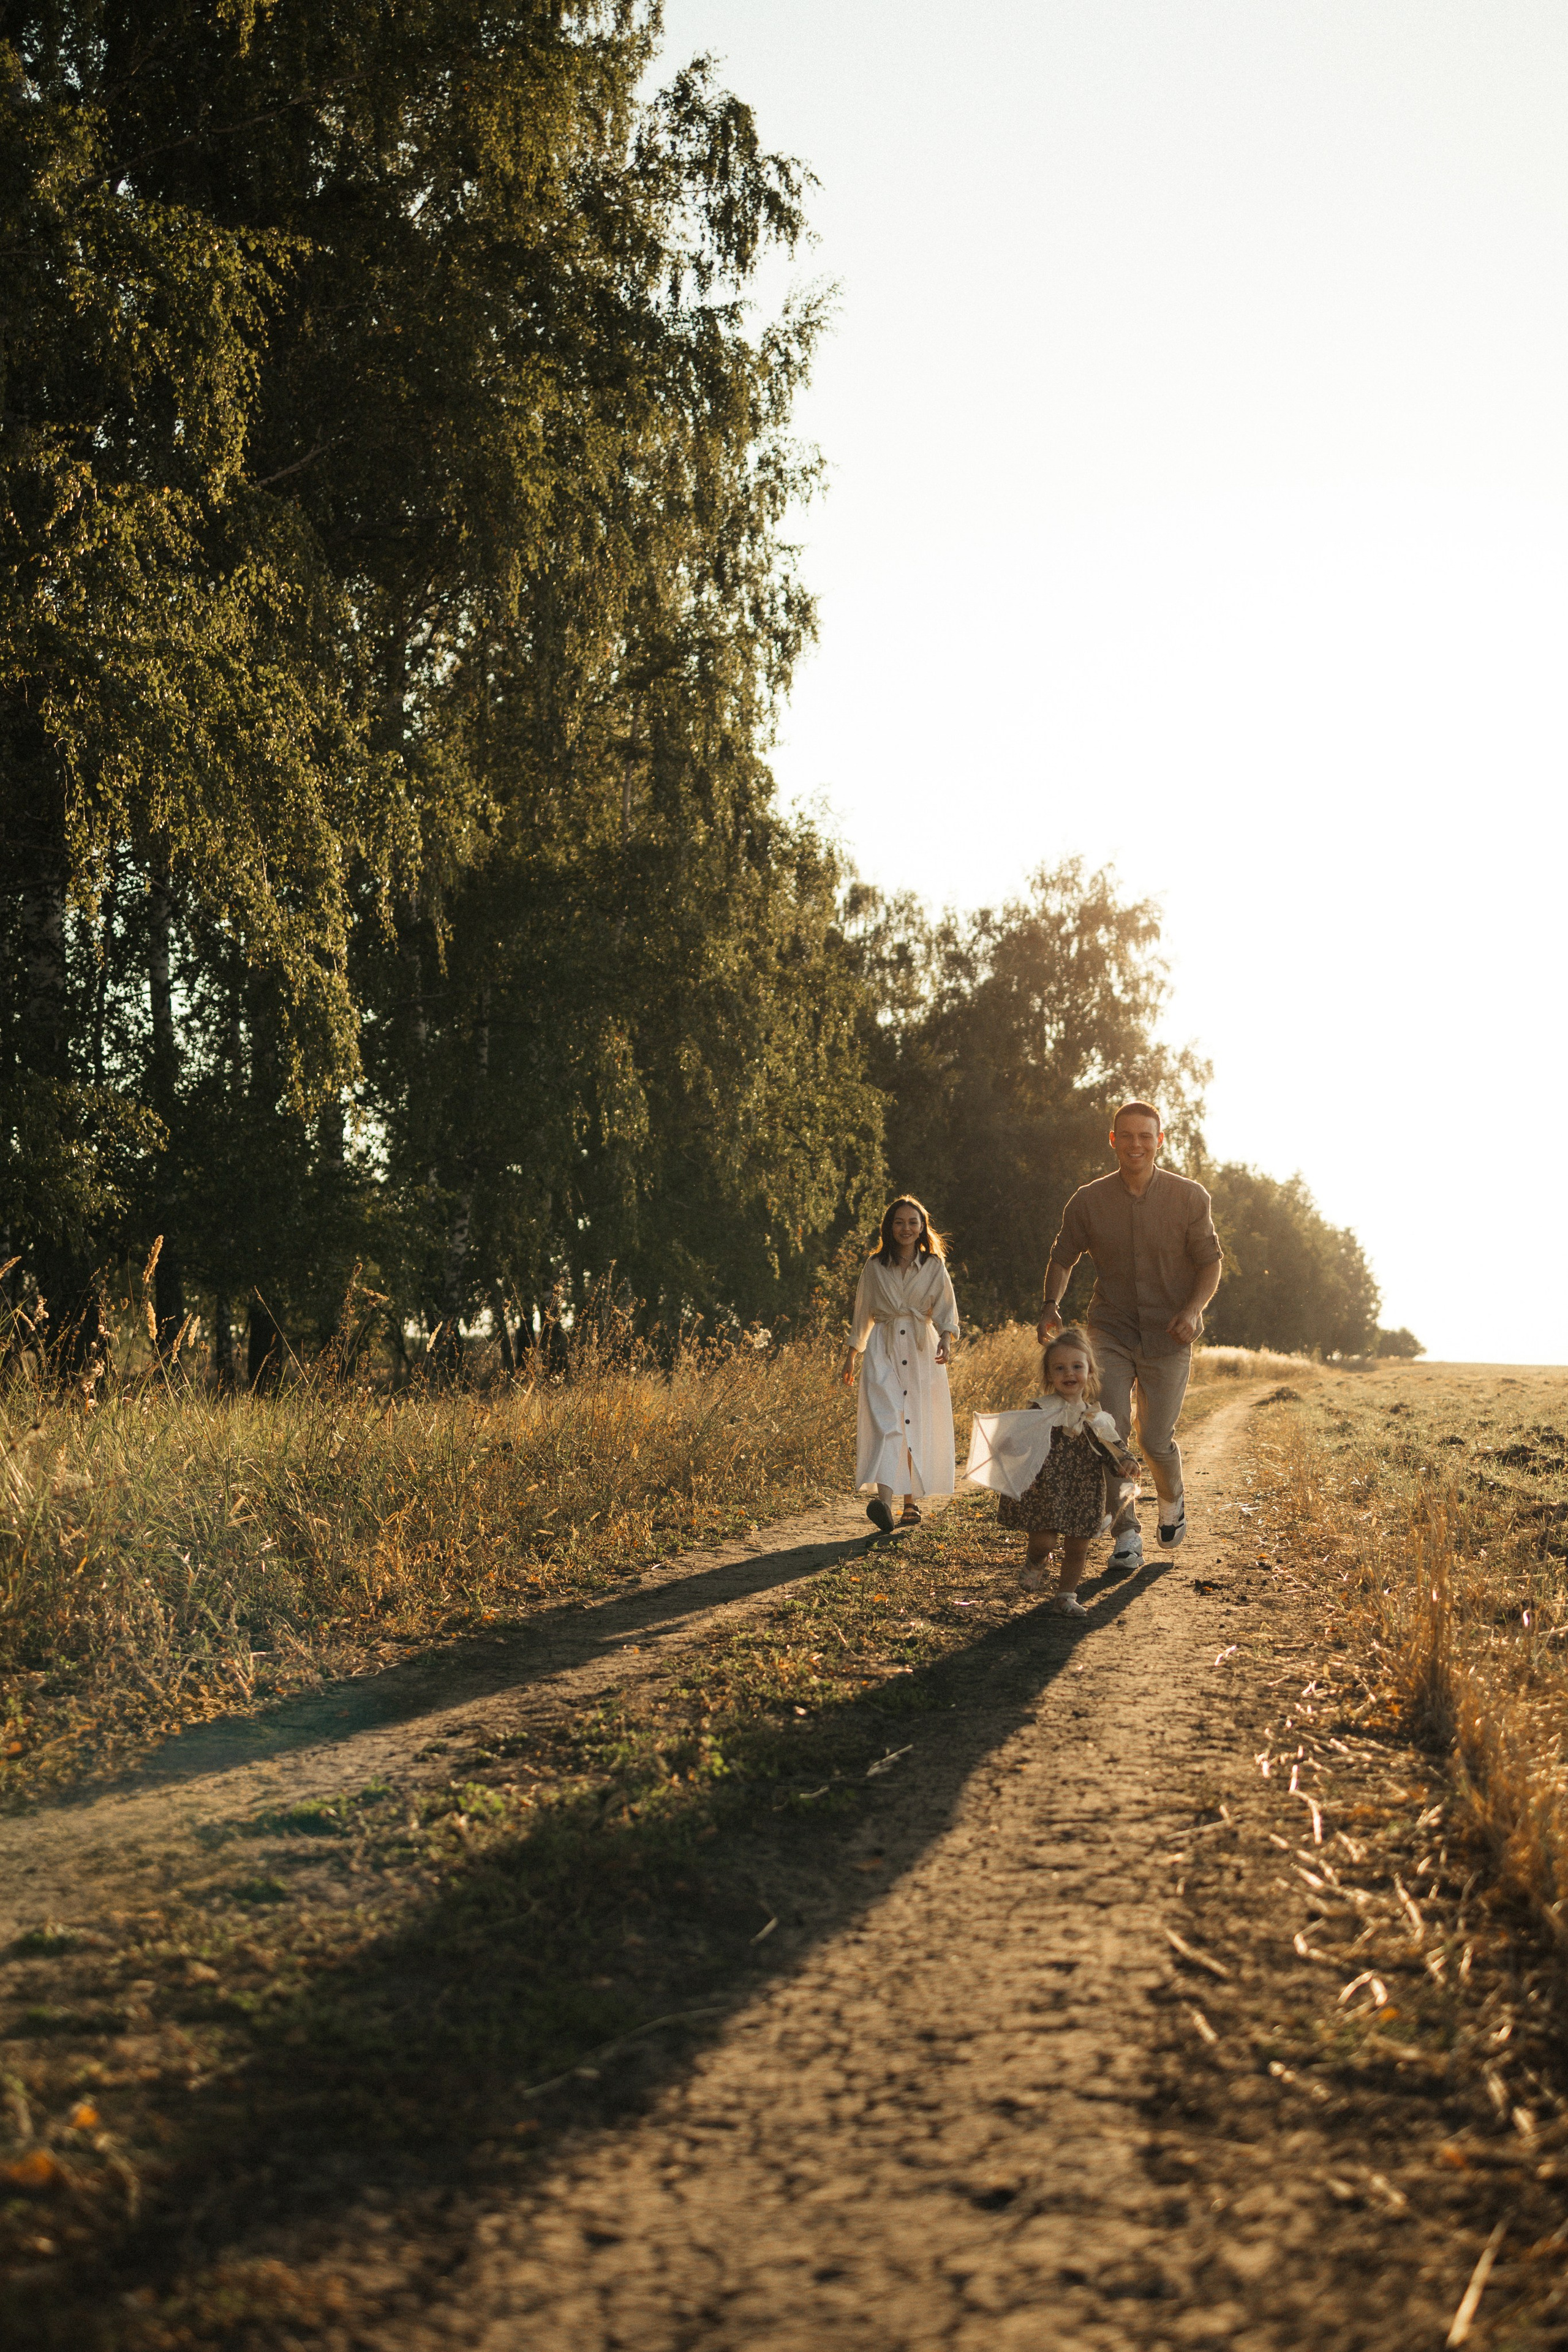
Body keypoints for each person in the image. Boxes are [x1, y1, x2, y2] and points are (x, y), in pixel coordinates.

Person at [1038, 1102, 1222, 1571]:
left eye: (1146, 1136)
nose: (1136, 1144)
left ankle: (1171, 1498)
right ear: (1113, 1140)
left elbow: (1209, 1261)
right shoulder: (1088, 1200)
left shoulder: (1189, 1197)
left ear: (1160, 1140)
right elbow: (1062, 1255)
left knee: (1155, 1439)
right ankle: (1127, 1534)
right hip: (1111, 1329)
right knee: (1111, 1432)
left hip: (1170, 1332)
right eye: (1127, 1136)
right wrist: (1050, 1305)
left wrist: (1193, 1309)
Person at [965, 1327, 1140, 1616]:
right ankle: (1036, 1561)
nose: (1069, 1373)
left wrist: (1126, 1462)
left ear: (1090, 1370)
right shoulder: (1041, 1409)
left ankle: (1066, 1596)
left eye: (1076, 1366)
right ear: (1049, 1376)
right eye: (1059, 1368)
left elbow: (1115, 1450)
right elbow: (1022, 1437)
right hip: (1045, 1490)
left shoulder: (1098, 1418)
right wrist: (1007, 1444)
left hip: (1084, 1492)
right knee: (1043, 1541)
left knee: (1077, 1547)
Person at [842, 1196, 960, 1534]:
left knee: (914, 1422)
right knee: (887, 1420)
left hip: (922, 1350)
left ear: (922, 1227)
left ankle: (910, 1503)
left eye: (912, 1222)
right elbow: (862, 1312)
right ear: (889, 1227)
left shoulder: (934, 1266)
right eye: (899, 1222)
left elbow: (947, 1308)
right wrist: (852, 1354)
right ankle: (884, 1504)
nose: (906, 1228)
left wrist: (947, 1339)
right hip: (883, 1348)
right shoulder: (875, 1266)